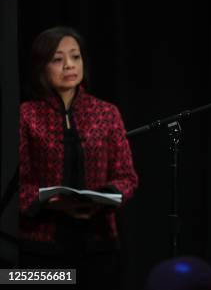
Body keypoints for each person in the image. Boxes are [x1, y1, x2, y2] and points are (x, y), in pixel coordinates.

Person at [18, 26, 138, 289]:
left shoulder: (106, 113)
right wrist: (53, 202)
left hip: (99, 245)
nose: (69, 65)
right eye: (57, 59)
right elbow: (18, 182)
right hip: (41, 248)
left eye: (75, 56)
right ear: (41, 67)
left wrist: (103, 198)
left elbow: (127, 176)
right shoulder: (26, 115)